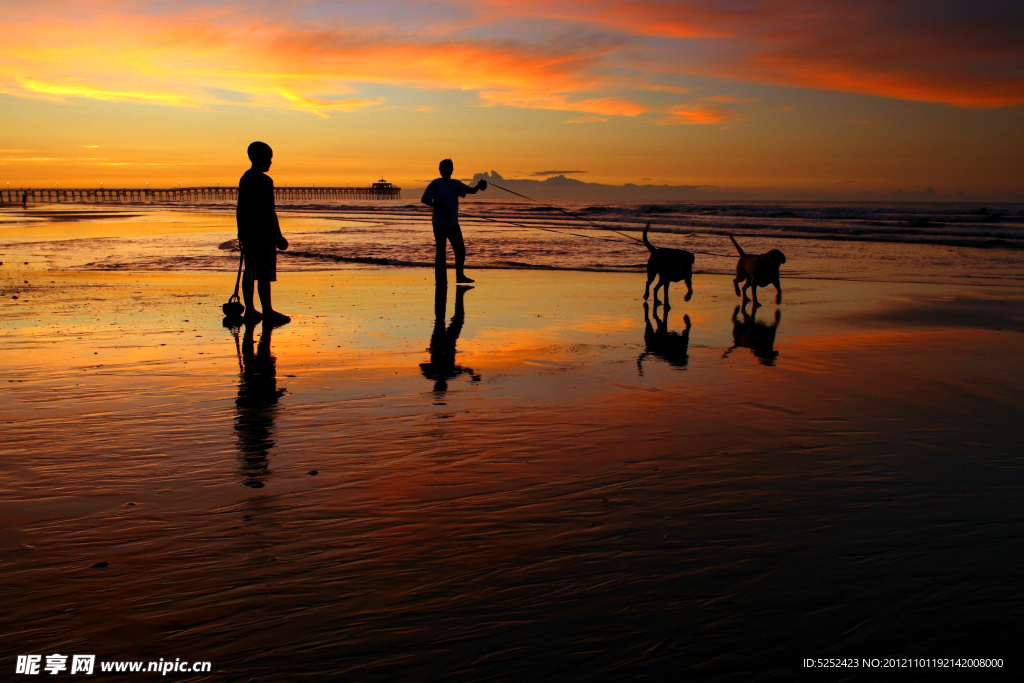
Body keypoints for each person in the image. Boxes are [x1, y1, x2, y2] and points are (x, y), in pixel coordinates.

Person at [236, 141, 289, 325]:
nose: (270, 162)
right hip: (263, 233)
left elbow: (240, 208)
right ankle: (267, 310)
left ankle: (250, 309)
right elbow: (269, 211)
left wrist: (241, 232)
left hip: (249, 232)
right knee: (264, 274)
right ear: (258, 158)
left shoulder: (245, 178)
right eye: (268, 158)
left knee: (250, 271)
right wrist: (278, 236)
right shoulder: (265, 181)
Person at [421, 159, 486, 284]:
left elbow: (471, 190)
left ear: (452, 170)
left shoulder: (455, 184)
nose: (445, 171)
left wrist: (479, 185)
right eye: (443, 168)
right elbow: (424, 199)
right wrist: (439, 206)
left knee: (460, 250)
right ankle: (441, 280)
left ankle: (460, 276)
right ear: (440, 170)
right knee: (441, 252)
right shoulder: (435, 184)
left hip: (452, 223)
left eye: (447, 168)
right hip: (439, 223)